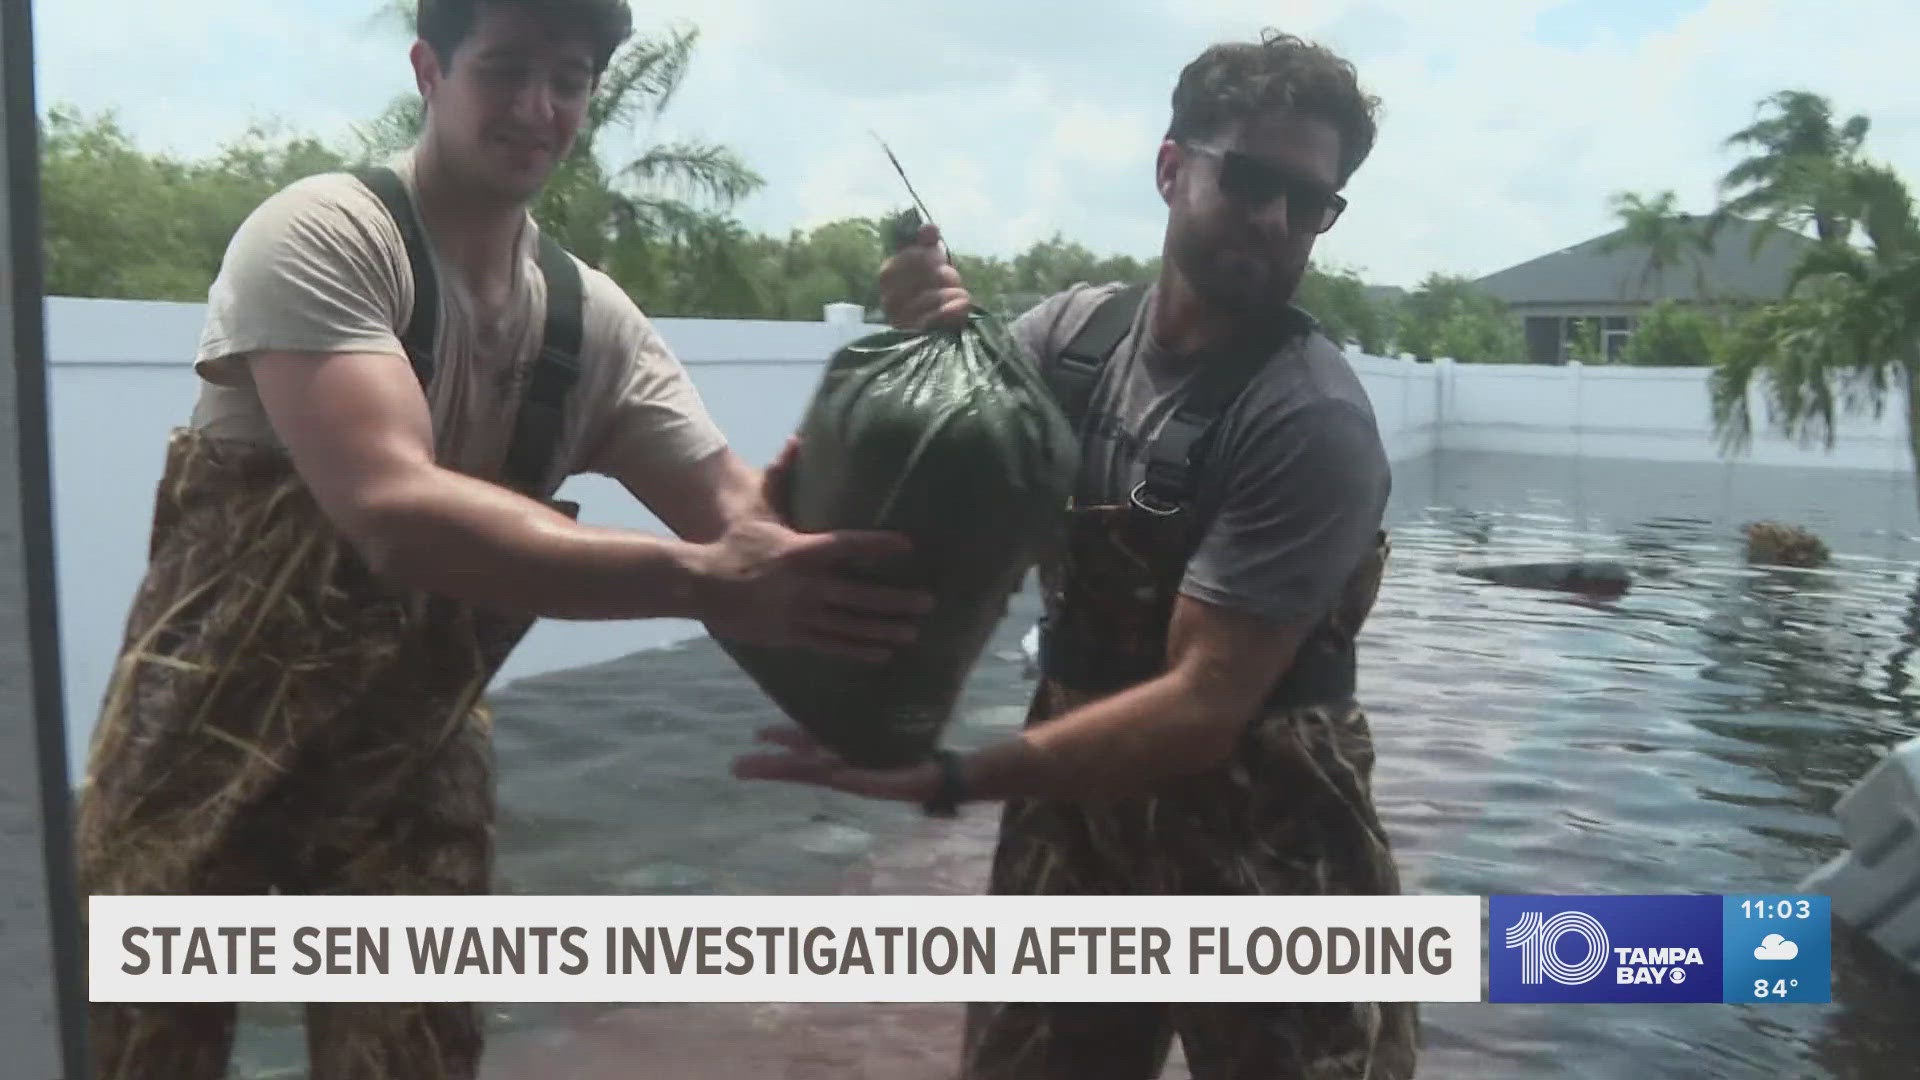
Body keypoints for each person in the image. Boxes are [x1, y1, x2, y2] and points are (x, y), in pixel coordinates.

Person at [73, 1, 929, 1077]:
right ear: (430, 69)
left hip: (409, 759)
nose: (539, 107)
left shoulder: (590, 323)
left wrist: (907, 371)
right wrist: (703, 584)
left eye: (567, 80)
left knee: (417, 1058)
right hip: (201, 745)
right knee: (143, 1056)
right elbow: (393, 510)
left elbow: (751, 523)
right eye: (507, 70)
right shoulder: (325, 235)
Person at [733, 29, 1417, 1080]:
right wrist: (921, 347)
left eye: (1310, 202)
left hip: (1268, 825)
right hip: (1073, 799)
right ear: (1170, 167)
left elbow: (1201, 706)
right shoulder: (1069, 344)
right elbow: (942, 495)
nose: (1277, 221)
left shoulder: (1309, 419)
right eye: (1252, 179)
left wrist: (956, 773)